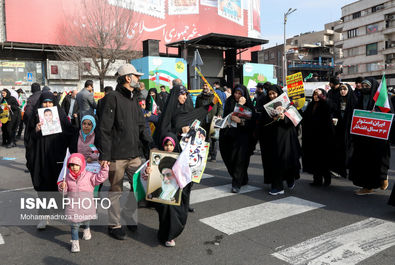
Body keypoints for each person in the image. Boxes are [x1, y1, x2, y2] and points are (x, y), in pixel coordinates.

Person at [98, 63, 153, 240]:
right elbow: (104, 128)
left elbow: (141, 125)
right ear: (128, 78)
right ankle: (114, 225)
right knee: (115, 191)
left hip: (135, 155)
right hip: (116, 157)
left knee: (141, 187)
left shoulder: (135, 99)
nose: (139, 79)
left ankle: (129, 213)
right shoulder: (112, 97)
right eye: (136, 76)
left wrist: (150, 146)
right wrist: (105, 155)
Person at [25, 91, 74, 229]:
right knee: (43, 186)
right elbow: (28, 139)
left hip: (57, 157)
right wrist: (36, 130)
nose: (47, 105)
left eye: (50, 102)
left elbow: (70, 134)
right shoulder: (35, 117)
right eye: (45, 102)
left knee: (59, 185)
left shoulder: (61, 116)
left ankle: (61, 211)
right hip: (41, 158)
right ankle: (43, 216)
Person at [143, 133, 192, 247]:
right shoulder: (157, 158)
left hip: (178, 193)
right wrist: (148, 171)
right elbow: (148, 177)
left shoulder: (182, 158)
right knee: (165, 215)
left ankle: (170, 235)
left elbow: (188, 177)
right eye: (166, 145)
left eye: (171, 145)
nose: (169, 148)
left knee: (176, 215)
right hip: (163, 198)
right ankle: (165, 236)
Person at [58, 153, 109, 253]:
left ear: (82, 165)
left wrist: (104, 168)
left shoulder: (89, 175)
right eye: (72, 165)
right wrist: (62, 187)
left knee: (86, 219)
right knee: (74, 226)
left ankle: (86, 228)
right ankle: (75, 242)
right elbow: (64, 193)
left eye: (77, 165)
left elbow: (100, 178)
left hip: (86, 205)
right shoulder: (67, 178)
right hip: (73, 206)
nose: (74, 167)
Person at [349, 78, 392, 195]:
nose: (364, 88)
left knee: (377, 160)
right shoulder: (361, 98)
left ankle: (382, 178)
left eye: (367, 86)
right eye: (362, 86)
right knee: (363, 162)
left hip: (377, 138)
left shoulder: (382, 99)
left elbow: (388, 114)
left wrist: (376, 113)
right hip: (363, 138)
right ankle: (367, 186)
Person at [258, 85, 301, 195]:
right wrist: (273, 118)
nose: (272, 96)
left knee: (287, 160)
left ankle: (289, 178)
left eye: (274, 93)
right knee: (274, 162)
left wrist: (284, 117)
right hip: (271, 139)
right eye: (270, 94)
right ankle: (277, 186)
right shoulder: (265, 105)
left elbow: (296, 120)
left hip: (286, 138)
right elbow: (262, 122)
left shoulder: (289, 105)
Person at [219, 85, 255, 193]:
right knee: (229, 158)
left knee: (240, 160)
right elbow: (228, 115)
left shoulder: (248, 103)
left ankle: (236, 183)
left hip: (242, 137)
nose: (237, 95)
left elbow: (251, 122)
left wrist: (240, 119)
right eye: (235, 93)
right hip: (229, 135)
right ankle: (242, 178)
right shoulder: (230, 101)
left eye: (240, 94)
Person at [302, 88, 335, 186]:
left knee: (323, 160)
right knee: (314, 160)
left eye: (318, 94)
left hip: (324, 137)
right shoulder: (311, 105)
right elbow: (306, 117)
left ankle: (327, 179)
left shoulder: (326, 104)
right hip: (312, 137)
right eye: (314, 94)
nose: (316, 96)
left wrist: (323, 98)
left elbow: (331, 109)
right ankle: (317, 180)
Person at [331, 83, 357, 178]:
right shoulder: (337, 99)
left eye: (344, 89)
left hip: (349, 130)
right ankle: (339, 169)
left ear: (349, 90)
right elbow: (332, 110)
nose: (342, 91)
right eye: (341, 89)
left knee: (349, 150)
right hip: (338, 129)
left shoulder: (354, 101)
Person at [195, 83, 223, 162]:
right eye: (203, 85)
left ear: (210, 87)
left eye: (206, 85)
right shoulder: (199, 97)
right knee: (203, 138)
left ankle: (213, 156)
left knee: (214, 138)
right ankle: (206, 154)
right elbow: (196, 108)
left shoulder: (215, 96)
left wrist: (219, 115)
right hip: (202, 120)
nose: (205, 87)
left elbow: (220, 107)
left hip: (213, 119)